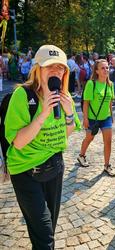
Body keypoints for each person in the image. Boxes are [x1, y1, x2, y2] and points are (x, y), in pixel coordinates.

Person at [4, 44, 80, 249]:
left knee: (47, 230)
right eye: (50, 67)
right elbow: (18, 142)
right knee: (45, 234)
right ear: (38, 69)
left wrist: (69, 113)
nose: (56, 71)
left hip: (54, 167)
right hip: (25, 171)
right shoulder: (23, 96)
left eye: (61, 67)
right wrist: (43, 114)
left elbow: (66, 132)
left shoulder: (65, 97)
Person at [77, 59, 115, 176]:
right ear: (97, 71)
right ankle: (81, 155)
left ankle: (107, 165)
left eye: (107, 68)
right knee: (89, 138)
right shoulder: (91, 83)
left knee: (108, 142)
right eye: (103, 68)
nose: (106, 70)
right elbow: (86, 103)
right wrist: (85, 118)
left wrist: (111, 115)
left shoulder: (110, 84)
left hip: (106, 118)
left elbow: (109, 102)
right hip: (92, 118)